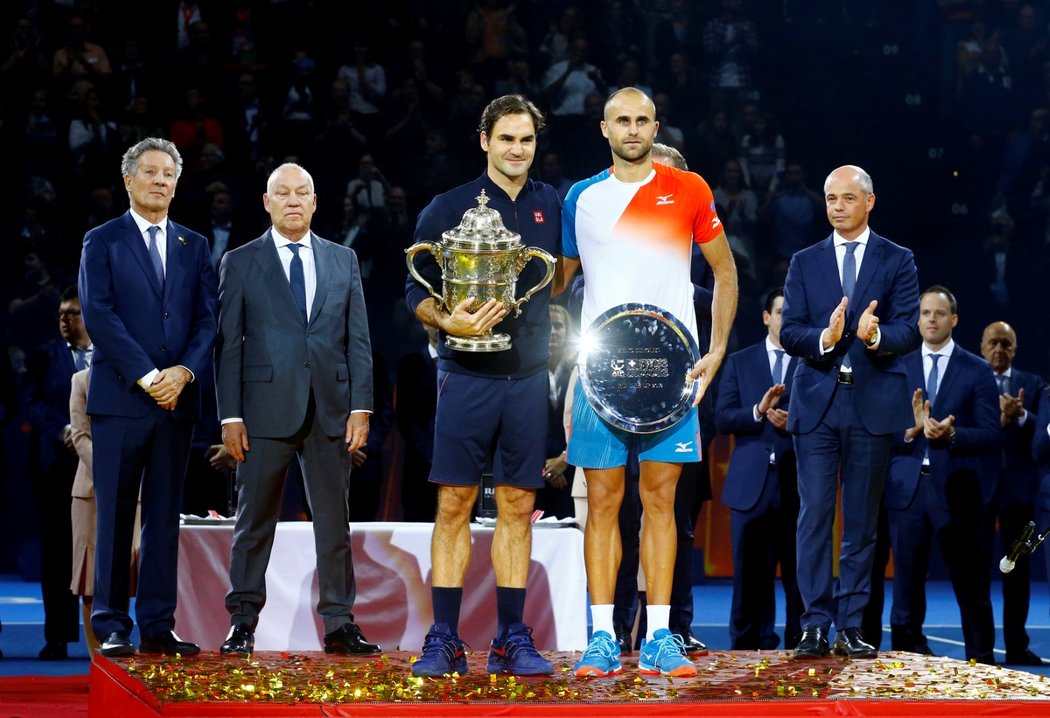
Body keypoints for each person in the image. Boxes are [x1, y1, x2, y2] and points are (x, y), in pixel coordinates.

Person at [558, 88, 738, 678]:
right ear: (604, 129)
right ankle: (602, 637)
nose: (632, 129)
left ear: (654, 126)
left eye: (642, 120)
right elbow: (557, 284)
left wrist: (713, 352)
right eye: (621, 121)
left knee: (662, 502)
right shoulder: (580, 199)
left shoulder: (691, 189)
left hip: (672, 373)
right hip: (600, 375)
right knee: (603, 504)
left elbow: (725, 271)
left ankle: (660, 636)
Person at [405, 94, 559, 677]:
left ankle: (510, 637)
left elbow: (566, 273)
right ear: (484, 141)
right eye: (506, 139)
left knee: (519, 504)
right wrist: (446, 320)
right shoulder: (447, 207)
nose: (517, 150)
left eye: (526, 140)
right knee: (454, 503)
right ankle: (443, 636)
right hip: (465, 374)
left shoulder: (553, 205)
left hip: (526, 377)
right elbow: (413, 289)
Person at [216, 163, 380, 657]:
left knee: (334, 523)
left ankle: (339, 623)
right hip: (262, 412)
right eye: (282, 193)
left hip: (331, 410)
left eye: (301, 192)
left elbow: (359, 341)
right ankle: (242, 621)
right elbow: (228, 346)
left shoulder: (342, 259)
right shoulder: (240, 261)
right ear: (266, 202)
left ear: (314, 201)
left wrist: (361, 407)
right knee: (253, 521)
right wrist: (230, 417)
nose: (292, 200)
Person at [78, 137, 218, 657]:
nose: (161, 181)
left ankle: (158, 623)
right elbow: (99, 315)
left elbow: (207, 320)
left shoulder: (194, 244)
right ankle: (112, 623)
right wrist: (149, 376)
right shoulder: (103, 240)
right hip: (121, 401)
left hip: (177, 403)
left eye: (169, 175)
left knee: (164, 515)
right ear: (129, 180)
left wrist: (181, 373)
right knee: (116, 513)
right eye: (152, 172)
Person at [780, 164, 920, 660]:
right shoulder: (804, 260)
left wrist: (874, 337)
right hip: (817, 404)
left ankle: (851, 626)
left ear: (869, 202)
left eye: (846, 198)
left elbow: (908, 329)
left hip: (873, 405)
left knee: (861, 522)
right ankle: (814, 623)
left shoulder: (897, 259)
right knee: (814, 516)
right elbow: (790, 330)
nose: (837, 206)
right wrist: (827, 337)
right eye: (830, 198)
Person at [883, 286, 1000, 663]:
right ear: (917, 320)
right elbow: (885, 432)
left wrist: (952, 435)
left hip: (958, 493)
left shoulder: (977, 370)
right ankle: (904, 663)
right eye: (925, 313)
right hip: (908, 493)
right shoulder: (898, 366)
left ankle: (982, 665)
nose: (931, 319)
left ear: (954, 320)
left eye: (939, 313)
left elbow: (990, 433)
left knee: (971, 587)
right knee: (905, 588)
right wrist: (909, 430)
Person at [715, 287, 803, 650]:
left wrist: (794, 420)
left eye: (793, 313)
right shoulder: (740, 361)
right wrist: (757, 410)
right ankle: (748, 645)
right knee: (751, 576)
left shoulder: (811, 362)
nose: (786, 319)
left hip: (799, 485)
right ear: (767, 317)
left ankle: (804, 645)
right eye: (781, 312)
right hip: (750, 486)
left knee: (801, 576)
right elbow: (722, 417)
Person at [25, 286, 92, 659]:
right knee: (56, 553)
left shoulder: (113, 355)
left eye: (73, 313)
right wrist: (62, 430)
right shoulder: (43, 358)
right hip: (56, 466)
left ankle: (107, 632)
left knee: (103, 551)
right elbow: (30, 403)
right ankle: (58, 636)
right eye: (61, 314)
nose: (65, 320)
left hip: (100, 465)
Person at [981, 321, 1045, 665]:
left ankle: (1017, 645)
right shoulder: (973, 380)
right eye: (993, 343)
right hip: (979, 488)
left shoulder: (1033, 385)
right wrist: (998, 422)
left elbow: (1044, 430)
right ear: (982, 347)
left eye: (1006, 344)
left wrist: (1020, 416)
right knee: (976, 571)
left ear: (1015, 350)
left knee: (1016, 572)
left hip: (1020, 492)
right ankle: (982, 648)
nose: (999, 349)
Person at [69, 366, 142, 657]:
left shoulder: (145, 377)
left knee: (133, 571)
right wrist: (111, 470)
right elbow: (79, 435)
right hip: (90, 490)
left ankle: (135, 648)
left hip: (136, 490)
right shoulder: (81, 380)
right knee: (91, 579)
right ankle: (97, 660)